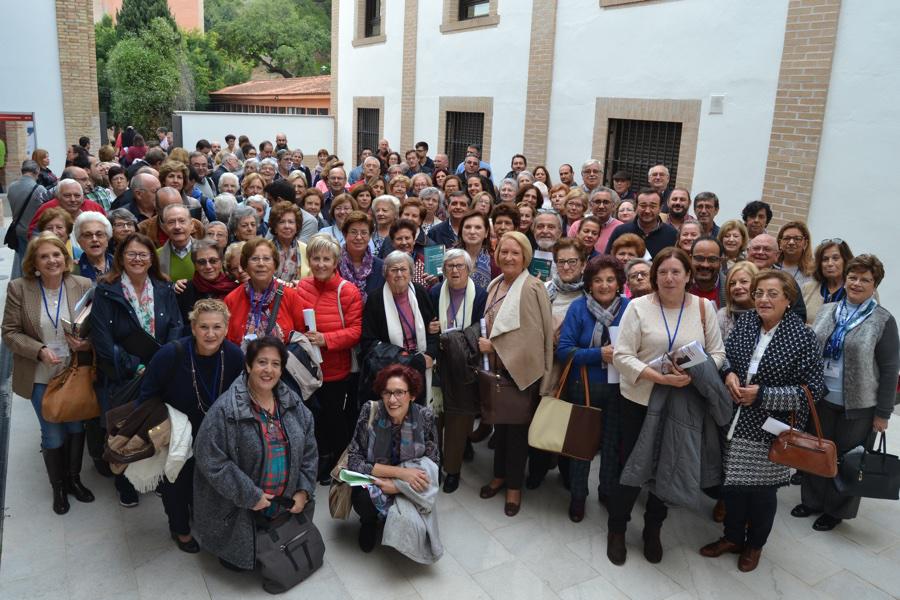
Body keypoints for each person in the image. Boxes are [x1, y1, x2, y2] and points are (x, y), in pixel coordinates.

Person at [700, 269, 824, 572]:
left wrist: (764, 395)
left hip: (770, 427)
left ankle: (754, 546)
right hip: (734, 421)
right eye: (759, 293)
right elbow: (726, 357)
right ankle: (732, 537)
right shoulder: (745, 324)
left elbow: (814, 389)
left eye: (772, 294)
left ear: (788, 299)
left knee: (762, 494)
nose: (763, 299)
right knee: (732, 487)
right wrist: (728, 373)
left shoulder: (803, 336)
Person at [608, 247, 725, 565]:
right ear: (653, 276)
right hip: (639, 401)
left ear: (688, 276)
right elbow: (622, 355)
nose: (669, 278)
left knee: (666, 470)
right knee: (630, 470)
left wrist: (692, 373)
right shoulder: (638, 307)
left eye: (676, 272)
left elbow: (717, 354)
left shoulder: (704, 308)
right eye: (662, 272)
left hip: (681, 404)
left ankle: (652, 530)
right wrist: (657, 377)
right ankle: (617, 529)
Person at [193, 336, 318, 573]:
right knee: (239, 564)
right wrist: (250, 495)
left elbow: (310, 451)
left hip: (284, 506)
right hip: (242, 511)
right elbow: (212, 461)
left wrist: (303, 490)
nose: (268, 370)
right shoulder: (225, 410)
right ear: (249, 366)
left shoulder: (294, 404)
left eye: (275, 364)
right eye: (262, 362)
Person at [794, 255, 900, 532]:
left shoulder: (882, 321)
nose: (857, 283)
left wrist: (883, 414)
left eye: (865, 279)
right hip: (822, 398)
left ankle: (836, 510)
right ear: (845, 279)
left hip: (860, 405)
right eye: (853, 277)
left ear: (874, 284)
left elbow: (890, 371)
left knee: (849, 459)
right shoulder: (828, 310)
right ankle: (812, 500)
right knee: (816, 451)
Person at [137, 299, 244, 553]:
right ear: (193, 327)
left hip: (216, 434)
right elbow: (147, 395)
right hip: (177, 434)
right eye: (204, 327)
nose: (210, 334)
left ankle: (202, 515)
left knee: (207, 482)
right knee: (176, 484)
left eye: (217, 327)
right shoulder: (171, 354)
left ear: (226, 328)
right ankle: (180, 529)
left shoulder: (234, 355)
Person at [2, 233, 94, 514]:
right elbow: (9, 332)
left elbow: (95, 327)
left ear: (65, 259)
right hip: (41, 374)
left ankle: (74, 479)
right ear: (34, 262)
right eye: (44, 256)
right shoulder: (20, 288)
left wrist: (86, 343)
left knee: (76, 427)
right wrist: (39, 349)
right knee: (52, 434)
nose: (52, 260)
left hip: (74, 371)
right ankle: (59, 487)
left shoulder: (83, 284)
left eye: (56, 255)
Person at [90, 232, 183, 507]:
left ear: (151, 259)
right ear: (120, 257)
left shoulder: (164, 288)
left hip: (160, 371)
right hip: (124, 375)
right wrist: (137, 366)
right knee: (124, 428)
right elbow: (103, 341)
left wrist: (162, 363)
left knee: (155, 426)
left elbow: (176, 326)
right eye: (131, 254)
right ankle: (125, 482)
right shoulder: (107, 290)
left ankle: (153, 477)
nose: (137, 259)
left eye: (143, 254)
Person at [477, 232, 554, 517]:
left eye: (515, 253)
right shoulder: (496, 283)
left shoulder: (532, 287)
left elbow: (535, 338)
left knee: (518, 432)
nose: (509, 257)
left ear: (525, 257)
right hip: (497, 372)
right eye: (504, 252)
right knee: (501, 428)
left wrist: (494, 348)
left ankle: (513, 487)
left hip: (522, 372)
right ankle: (499, 475)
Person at [557, 254, 630, 521]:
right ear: (589, 283)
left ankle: (607, 491)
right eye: (598, 280)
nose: (604, 285)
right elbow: (564, 351)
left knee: (611, 444)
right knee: (581, 445)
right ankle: (578, 496)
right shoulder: (579, 308)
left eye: (610, 280)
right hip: (583, 385)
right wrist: (599, 354)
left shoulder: (630, 308)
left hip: (619, 388)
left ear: (619, 282)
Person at [346, 364, 440, 553]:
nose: (392, 399)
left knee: (421, 495)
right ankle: (369, 523)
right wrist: (401, 474)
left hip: (408, 483)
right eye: (387, 393)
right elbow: (354, 461)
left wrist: (398, 486)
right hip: (380, 480)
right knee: (363, 497)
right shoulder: (370, 411)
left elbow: (433, 463)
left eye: (399, 393)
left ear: (412, 395)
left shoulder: (425, 416)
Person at [296, 234, 364, 483]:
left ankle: (338, 460)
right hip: (307, 369)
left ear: (336, 262)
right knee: (313, 417)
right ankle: (321, 456)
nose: (321, 264)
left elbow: (356, 331)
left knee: (333, 416)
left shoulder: (348, 291)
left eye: (326, 259)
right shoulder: (302, 286)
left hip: (335, 368)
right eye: (316, 258)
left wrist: (326, 339)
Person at [426, 250, 487, 493]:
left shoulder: (480, 295)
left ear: (469, 269)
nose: (454, 270)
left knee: (459, 421)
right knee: (436, 419)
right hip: (439, 364)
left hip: (464, 365)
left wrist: (456, 339)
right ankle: (436, 462)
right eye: (449, 266)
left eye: (459, 266)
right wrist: (432, 328)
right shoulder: (433, 293)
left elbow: (480, 327)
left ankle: (453, 469)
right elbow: (425, 323)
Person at [360, 251, 438, 403]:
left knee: (418, 411)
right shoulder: (375, 300)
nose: (399, 274)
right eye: (394, 270)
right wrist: (404, 358)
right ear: (386, 274)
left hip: (421, 363)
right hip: (390, 368)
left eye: (403, 269)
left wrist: (429, 355)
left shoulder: (420, 293)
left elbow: (434, 329)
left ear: (410, 273)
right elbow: (368, 341)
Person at [224, 238, 307, 346]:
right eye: (254, 259)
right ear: (246, 266)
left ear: (275, 265)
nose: (261, 264)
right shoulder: (231, 300)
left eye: (267, 259)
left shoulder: (291, 296)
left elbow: (302, 337)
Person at [174, 239, 239, 324]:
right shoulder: (184, 290)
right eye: (201, 262)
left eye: (213, 261)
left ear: (221, 262)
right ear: (195, 265)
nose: (208, 266)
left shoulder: (234, 288)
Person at [605, 189, 677, 258]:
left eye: (653, 206)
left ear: (660, 208)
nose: (647, 211)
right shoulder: (621, 231)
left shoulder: (671, 234)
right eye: (643, 206)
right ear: (636, 207)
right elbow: (607, 260)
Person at [801, 239, 854, 325]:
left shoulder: (858, 290)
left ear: (845, 261)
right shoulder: (808, 288)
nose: (830, 263)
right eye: (825, 259)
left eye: (835, 258)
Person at [339, 211, 384, 305]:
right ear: (344, 234)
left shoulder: (381, 266)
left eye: (364, 233)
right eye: (353, 232)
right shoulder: (334, 264)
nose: (359, 237)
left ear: (370, 236)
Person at [268, 201, 310, 284]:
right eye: (282, 222)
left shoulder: (306, 249)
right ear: (275, 227)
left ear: (297, 226)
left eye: (291, 222)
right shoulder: (264, 248)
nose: (287, 226)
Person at [716, 261, 759, 340]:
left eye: (744, 282)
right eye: (732, 283)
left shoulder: (766, 314)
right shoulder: (723, 315)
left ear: (756, 284)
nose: (737, 287)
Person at [456, 210, 498, 290]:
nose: (472, 232)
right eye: (468, 227)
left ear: (486, 233)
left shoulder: (495, 263)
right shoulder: (448, 257)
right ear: (461, 231)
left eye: (478, 227)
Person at [73, 212, 113, 280]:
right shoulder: (74, 272)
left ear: (107, 239)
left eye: (99, 234)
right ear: (79, 241)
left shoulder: (122, 265)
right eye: (88, 235)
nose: (94, 239)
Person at [776, 221, 814, 287]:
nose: (791, 242)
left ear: (805, 243)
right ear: (780, 243)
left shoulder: (814, 270)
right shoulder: (771, 266)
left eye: (797, 239)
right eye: (786, 238)